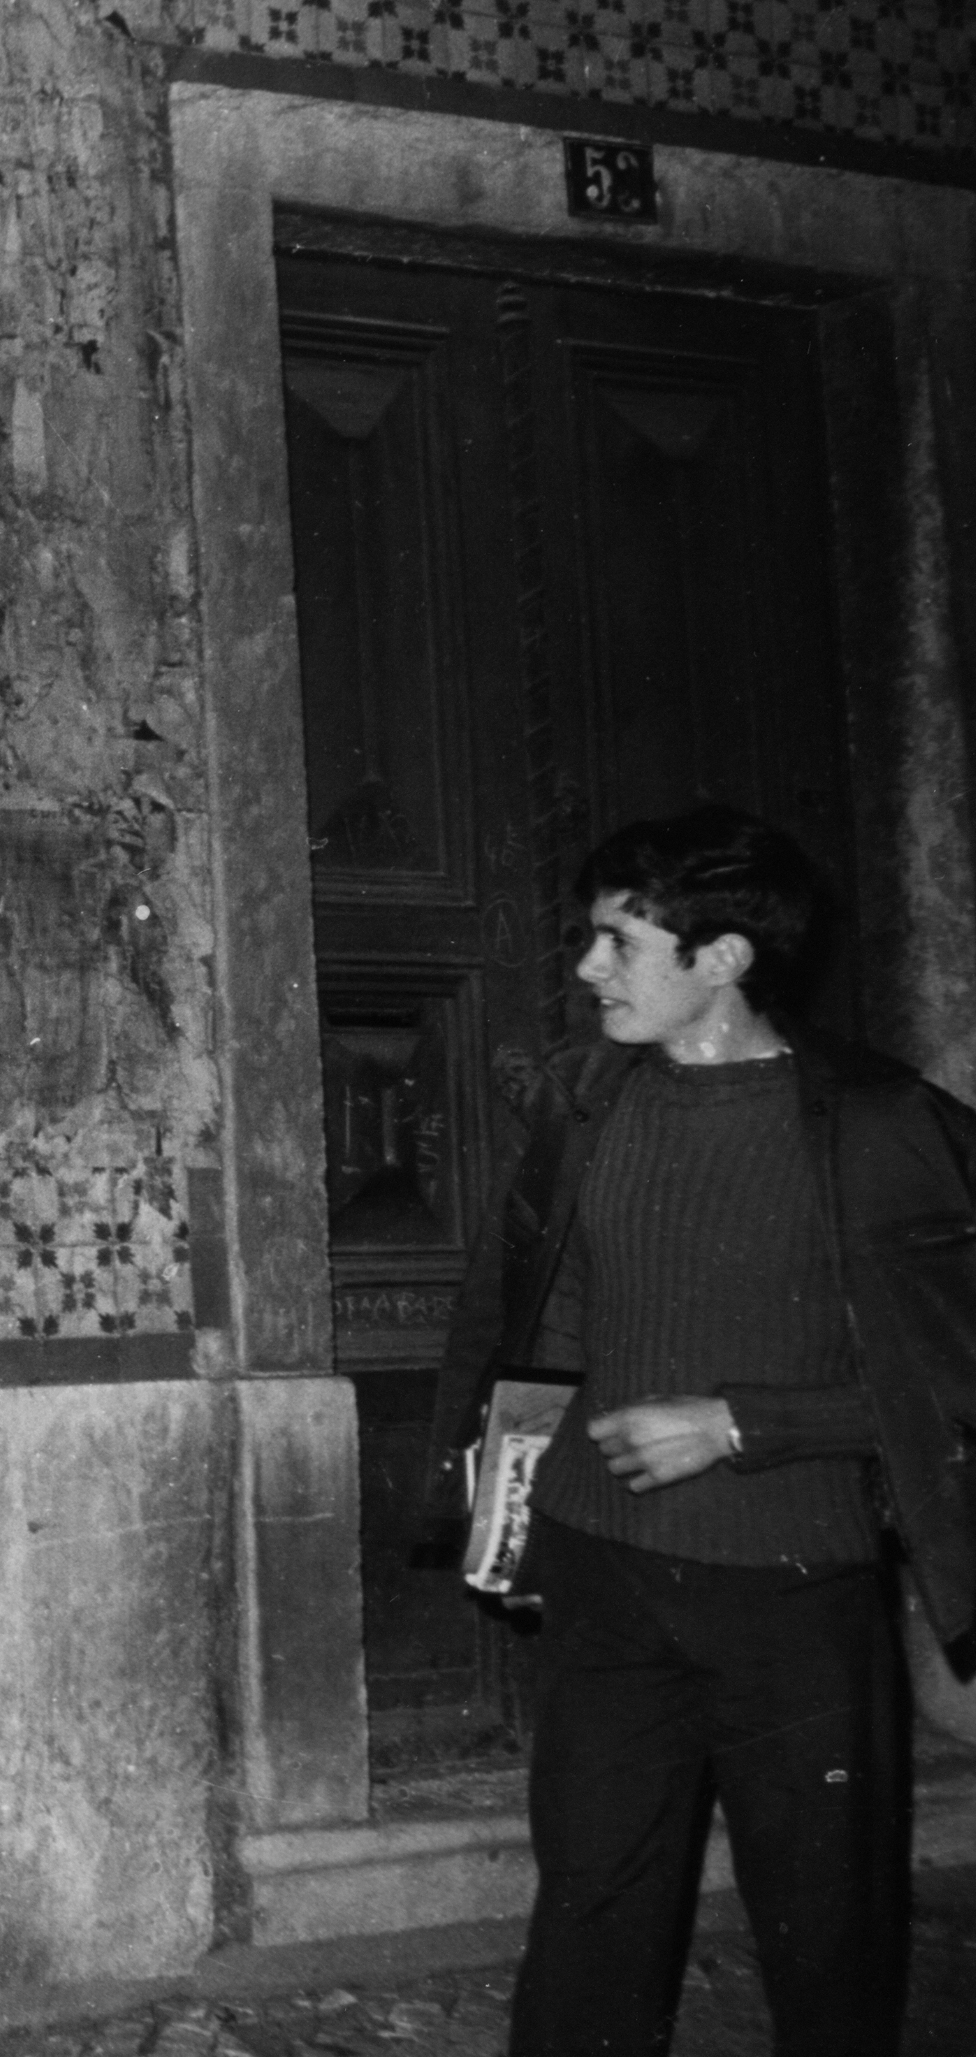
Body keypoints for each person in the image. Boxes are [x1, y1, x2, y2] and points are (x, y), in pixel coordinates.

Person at [436, 804, 976, 2057]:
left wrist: (750, 1424)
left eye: (621, 941)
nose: (586, 968)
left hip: (792, 1583)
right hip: (601, 1568)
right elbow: (545, 1317)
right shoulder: (587, 1101)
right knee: (590, 1905)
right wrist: (510, 1505)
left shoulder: (885, 1126)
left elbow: (951, 1371)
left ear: (724, 959)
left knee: (825, 1932)